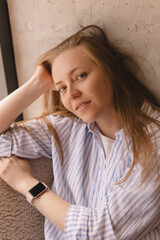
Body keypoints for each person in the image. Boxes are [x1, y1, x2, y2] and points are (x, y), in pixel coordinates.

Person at [0, 25, 159, 240]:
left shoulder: (153, 141)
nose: (72, 94)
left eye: (80, 76)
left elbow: (100, 233)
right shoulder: (67, 129)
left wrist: (28, 185)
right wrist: (37, 85)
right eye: (62, 87)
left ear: (109, 71)